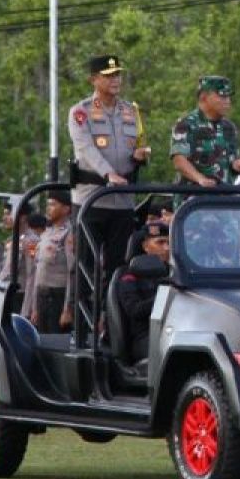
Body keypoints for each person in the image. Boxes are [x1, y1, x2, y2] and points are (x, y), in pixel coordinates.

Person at [68, 55, 150, 304]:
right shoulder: (80, 111)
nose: (115, 80)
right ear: (94, 79)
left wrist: (139, 156)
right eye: (108, 75)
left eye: (118, 75)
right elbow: (86, 149)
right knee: (85, 264)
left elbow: (136, 145)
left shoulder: (130, 110)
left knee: (118, 267)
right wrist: (108, 173)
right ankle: (82, 329)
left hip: (122, 202)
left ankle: (110, 322)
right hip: (90, 199)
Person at [170, 75, 240, 189]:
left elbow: (232, 163)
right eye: (222, 96)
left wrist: (237, 166)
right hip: (194, 199)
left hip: (224, 198)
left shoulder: (229, 127)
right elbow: (179, 161)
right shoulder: (186, 124)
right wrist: (200, 178)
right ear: (204, 97)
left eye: (228, 97)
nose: (227, 101)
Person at [115, 221, 171, 361]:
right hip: (147, 336)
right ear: (145, 246)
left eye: (170, 243)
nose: (167, 247)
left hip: (175, 331)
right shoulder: (130, 275)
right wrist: (166, 296)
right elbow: (134, 309)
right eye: (160, 242)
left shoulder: (176, 273)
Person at [24, 191, 74, 334]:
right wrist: (34, 307)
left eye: (53, 204)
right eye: (48, 204)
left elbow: (72, 271)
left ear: (66, 209)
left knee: (55, 343)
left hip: (58, 296)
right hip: (42, 296)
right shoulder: (46, 233)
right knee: (41, 342)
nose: (48, 208)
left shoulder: (69, 233)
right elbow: (37, 271)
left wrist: (67, 308)